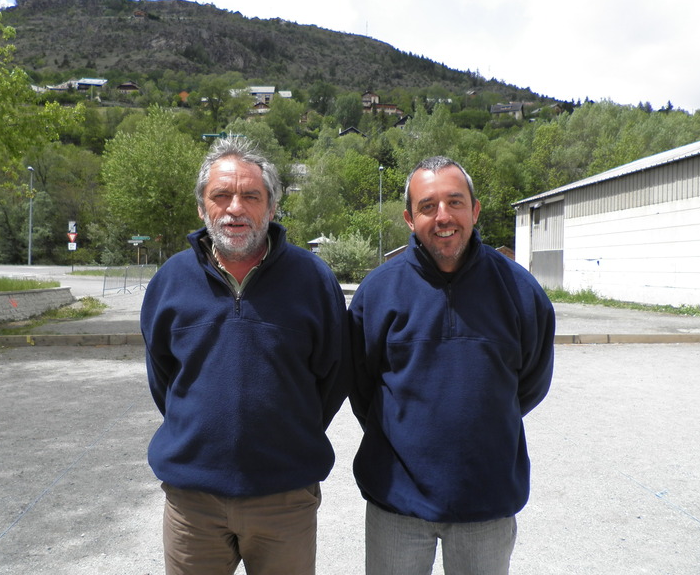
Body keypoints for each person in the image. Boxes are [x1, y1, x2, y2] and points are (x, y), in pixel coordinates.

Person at [141, 136, 349, 575]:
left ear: (271, 208)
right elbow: (164, 380)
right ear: (202, 208)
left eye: (251, 196)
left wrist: (285, 434)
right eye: (221, 195)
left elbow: (332, 377)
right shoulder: (169, 281)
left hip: (284, 500)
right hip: (192, 505)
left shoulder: (313, 279)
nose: (235, 207)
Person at [348, 156, 555, 575]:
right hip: (397, 505)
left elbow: (530, 383)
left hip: (487, 501)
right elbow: (361, 387)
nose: (443, 217)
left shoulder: (519, 291)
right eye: (428, 206)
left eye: (455, 202)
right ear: (409, 218)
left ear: (475, 210)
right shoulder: (377, 293)